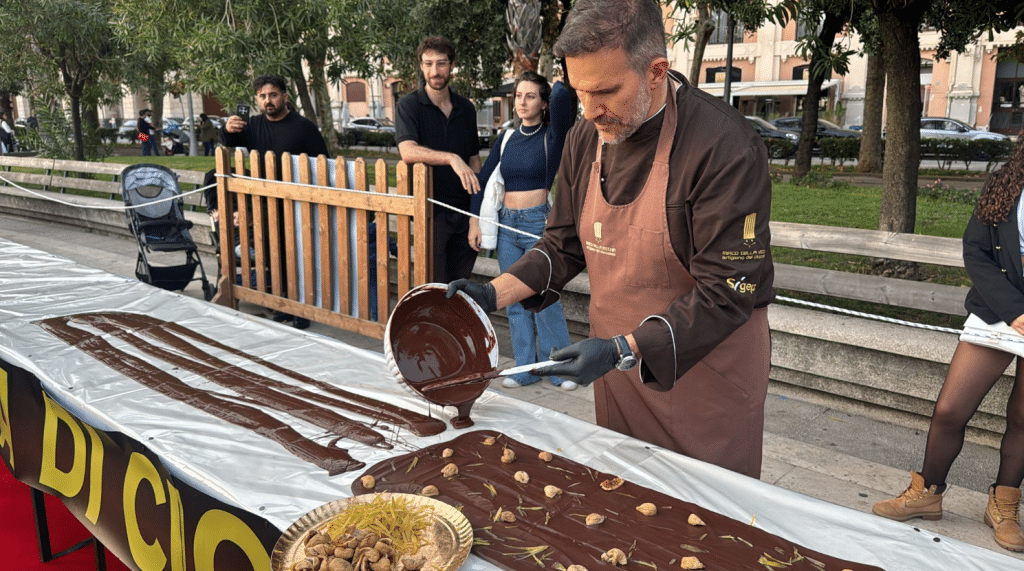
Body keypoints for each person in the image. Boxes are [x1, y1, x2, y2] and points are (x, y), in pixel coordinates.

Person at [447, 0, 774, 478]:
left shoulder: (724, 146)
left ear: (656, 71)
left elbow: (728, 291)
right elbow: (560, 244)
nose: (590, 111)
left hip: (705, 375)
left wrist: (622, 348)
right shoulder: (585, 137)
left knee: (708, 513)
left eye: (604, 92)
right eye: (580, 92)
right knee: (626, 500)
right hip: (620, 373)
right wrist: (491, 294)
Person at [871, 136, 1024, 553]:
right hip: (998, 311)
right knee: (950, 409)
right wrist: (1014, 310)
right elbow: (976, 251)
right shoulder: (1004, 184)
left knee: (1022, 419)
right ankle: (928, 493)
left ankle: (1004, 505)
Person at [468, 72, 576, 391]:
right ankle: (525, 368)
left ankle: (560, 368)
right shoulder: (506, 138)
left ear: (543, 103)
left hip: (537, 225)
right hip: (505, 226)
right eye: (518, 95)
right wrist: (474, 220)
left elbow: (563, 100)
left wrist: (559, 82)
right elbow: (482, 180)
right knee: (514, 300)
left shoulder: (552, 136)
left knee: (545, 298)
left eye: (531, 96)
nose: (522, 102)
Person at [221, 74, 329, 329]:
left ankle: (302, 308)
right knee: (274, 256)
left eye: (273, 95)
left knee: (300, 256)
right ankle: (281, 304)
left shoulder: (304, 127)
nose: (268, 101)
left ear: (285, 96)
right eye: (262, 96)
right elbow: (228, 141)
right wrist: (226, 129)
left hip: (299, 205)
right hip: (265, 206)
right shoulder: (252, 125)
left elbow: (324, 163)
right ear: (257, 99)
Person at [395, 36, 482, 283]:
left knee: (460, 286)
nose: (435, 71)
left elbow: (474, 162)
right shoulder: (408, 105)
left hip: (464, 212)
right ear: (421, 66)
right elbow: (407, 151)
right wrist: (451, 158)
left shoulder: (466, 109)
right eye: (429, 63)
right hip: (430, 213)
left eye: (441, 63)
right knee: (435, 285)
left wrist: (476, 215)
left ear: (452, 65)